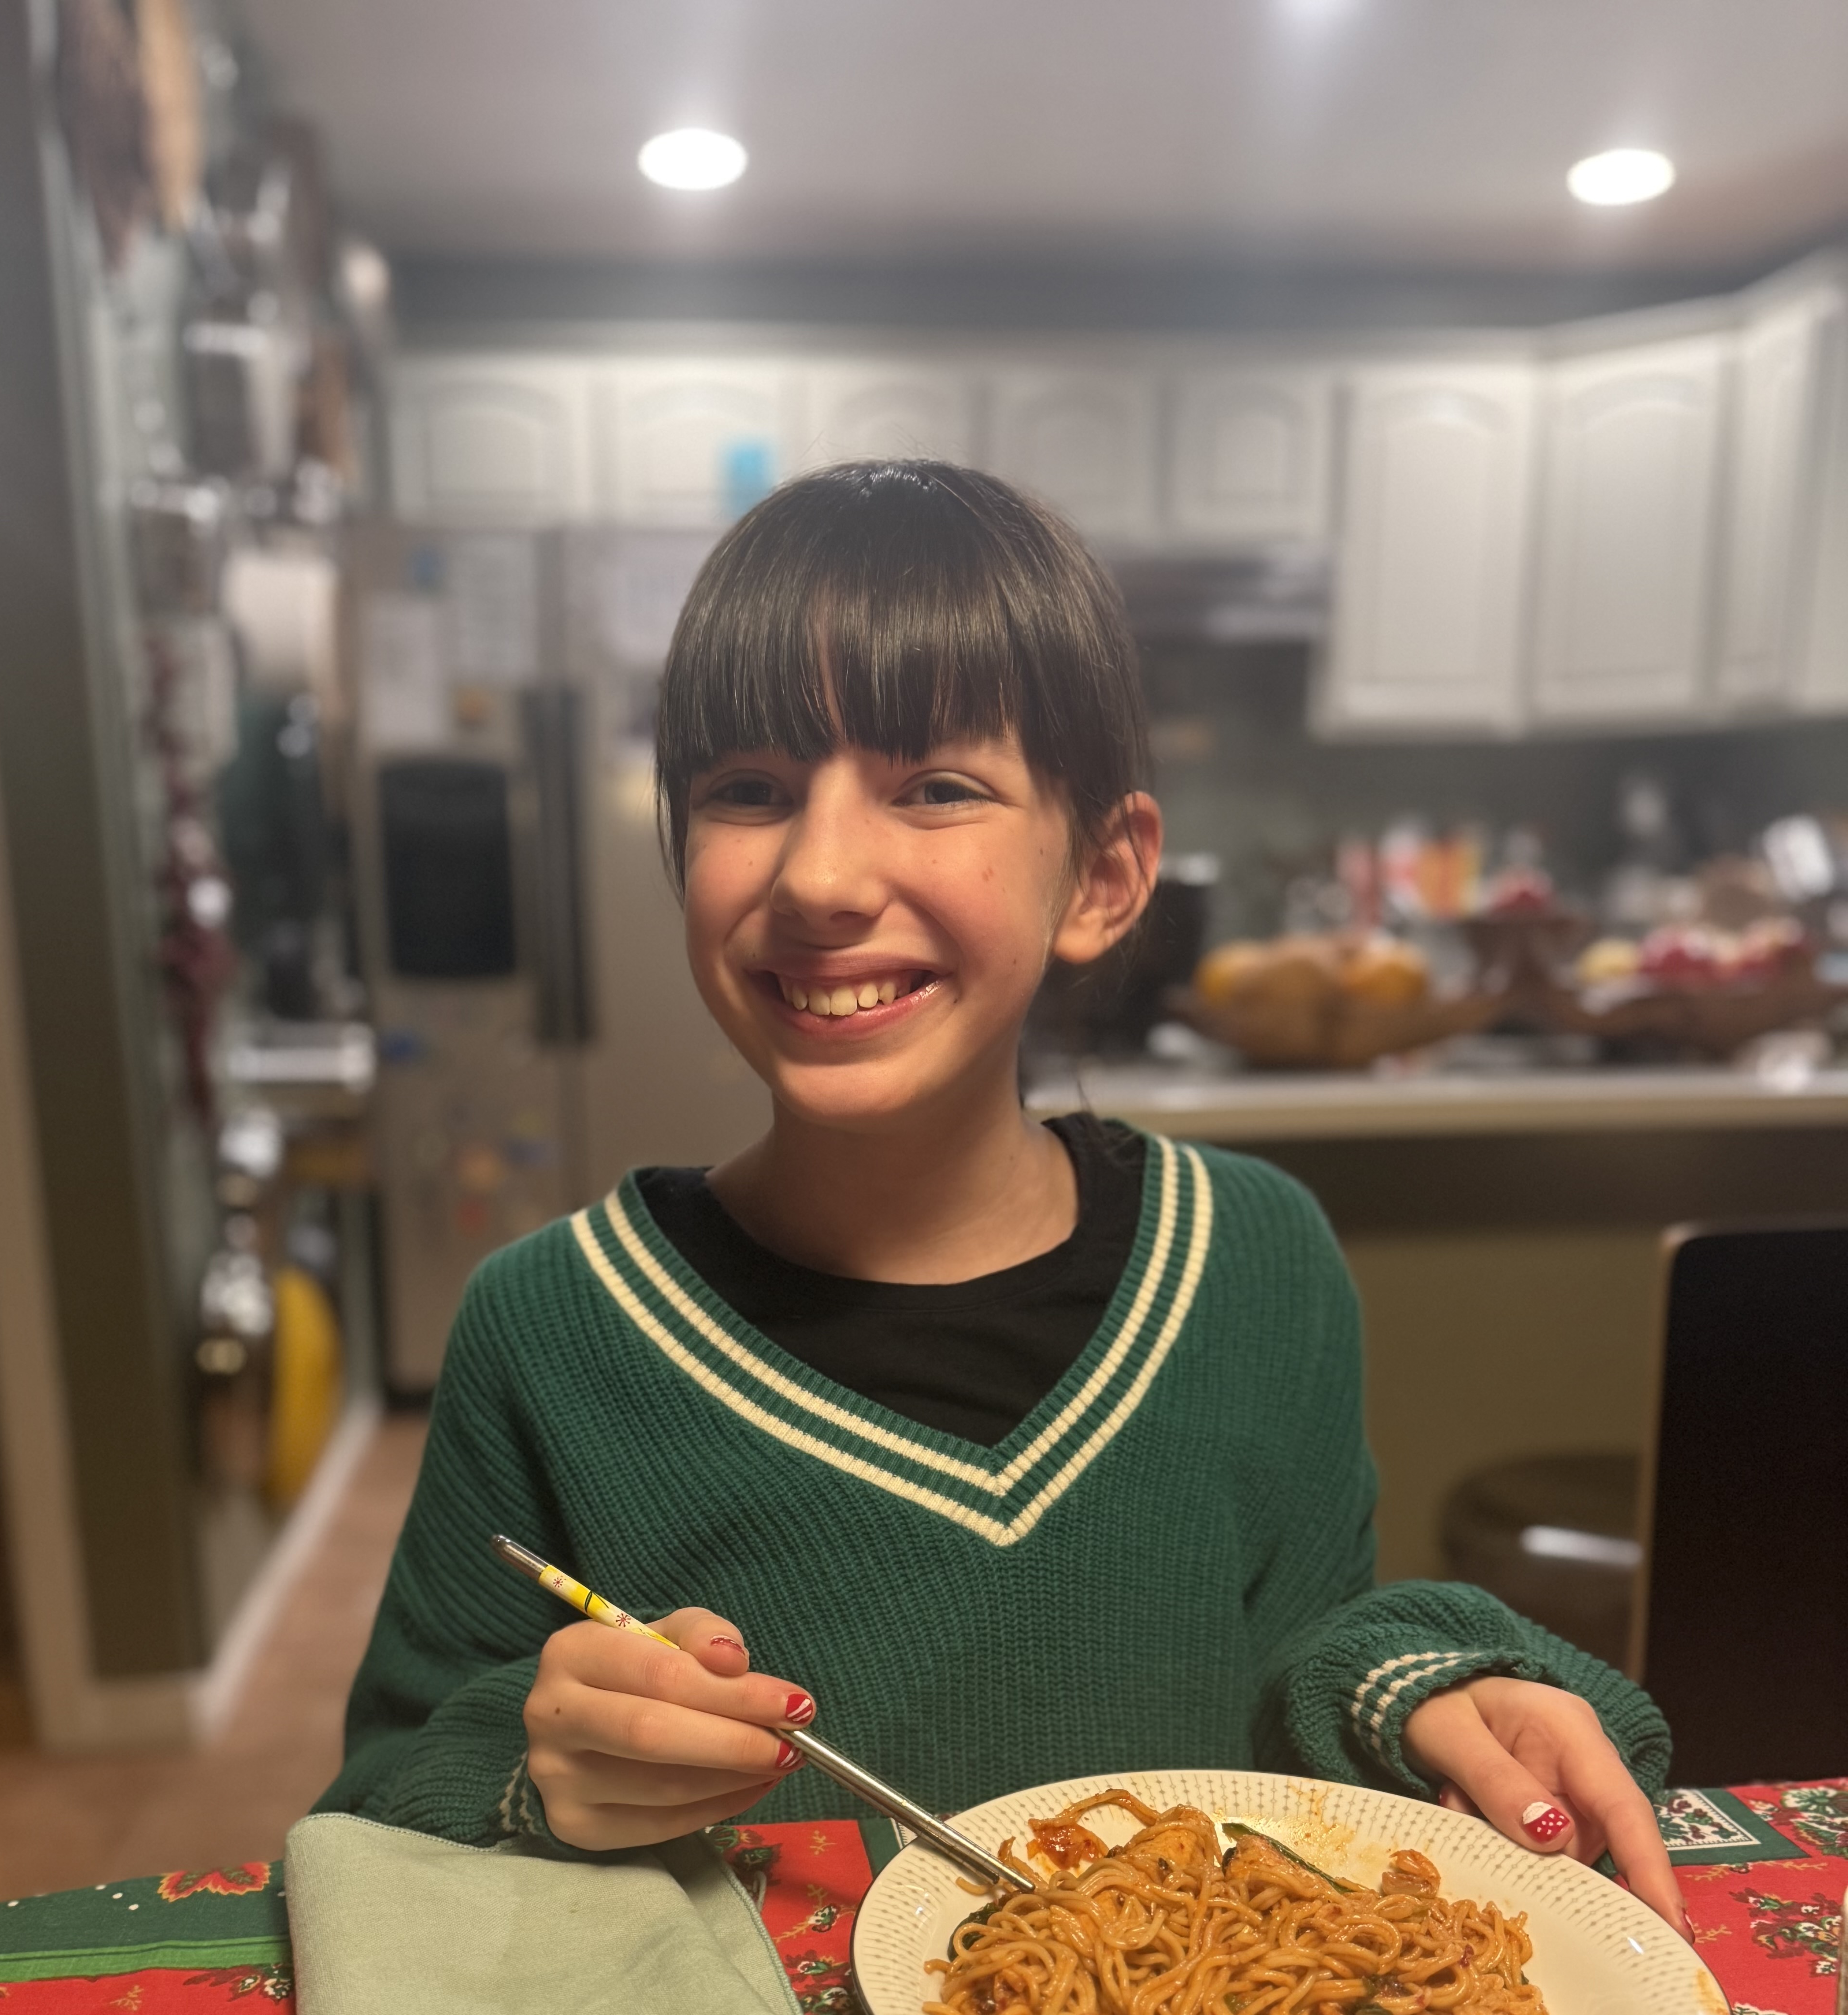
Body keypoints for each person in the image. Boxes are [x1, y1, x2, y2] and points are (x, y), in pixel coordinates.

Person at [319, 460, 1685, 1937]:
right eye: (749, 793)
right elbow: (380, 1803)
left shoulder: (1258, 1260)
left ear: (1101, 879)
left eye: (937, 789)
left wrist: (1420, 1689)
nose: (822, 874)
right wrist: (536, 1764)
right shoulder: (548, 1324)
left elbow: (1304, 1676)